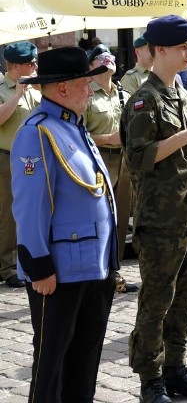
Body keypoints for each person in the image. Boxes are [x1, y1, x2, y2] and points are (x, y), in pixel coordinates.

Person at [12, 46, 118, 402]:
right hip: (58, 270)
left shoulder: (74, 126)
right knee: (51, 364)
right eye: (85, 83)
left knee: (85, 359)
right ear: (62, 88)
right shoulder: (37, 133)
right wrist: (38, 265)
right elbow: (30, 207)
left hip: (92, 264)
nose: (91, 89)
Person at [120, 15, 187, 403]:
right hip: (159, 221)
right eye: (183, 47)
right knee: (157, 301)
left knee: (184, 298)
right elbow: (138, 157)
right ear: (161, 50)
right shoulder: (145, 101)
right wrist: (183, 137)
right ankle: (150, 380)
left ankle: (176, 368)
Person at [84, 44, 138, 294]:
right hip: (97, 160)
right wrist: (107, 139)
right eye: (101, 58)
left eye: (112, 57)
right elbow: (76, 135)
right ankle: (95, 270)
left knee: (120, 217)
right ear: (91, 67)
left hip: (124, 161)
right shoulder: (86, 95)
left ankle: (113, 270)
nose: (109, 59)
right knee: (97, 217)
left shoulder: (124, 95)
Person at [0, 41, 41, 289]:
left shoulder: (35, 90)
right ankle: (7, 266)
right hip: (6, 157)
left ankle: (26, 261)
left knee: (29, 212)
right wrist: (16, 95)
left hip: (32, 160)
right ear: (15, 66)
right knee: (8, 214)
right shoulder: (3, 88)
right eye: (30, 63)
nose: (35, 66)